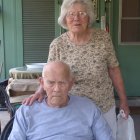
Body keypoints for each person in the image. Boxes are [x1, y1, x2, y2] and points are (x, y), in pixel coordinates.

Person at [23, 0, 130, 139]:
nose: (76, 18)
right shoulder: (58, 45)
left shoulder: (103, 39)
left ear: (89, 17)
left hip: (103, 105)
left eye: (82, 13)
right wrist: (39, 91)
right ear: (64, 19)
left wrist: (123, 100)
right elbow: (49, 74)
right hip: (72, 109)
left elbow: (114, 70)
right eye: (71, 14)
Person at [8, 61, 114, 140]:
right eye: (51, 82)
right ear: (42, 83)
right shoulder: (26, 111)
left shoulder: (88, 108)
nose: (57, 89)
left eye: (62, 83)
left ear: (71, 84)